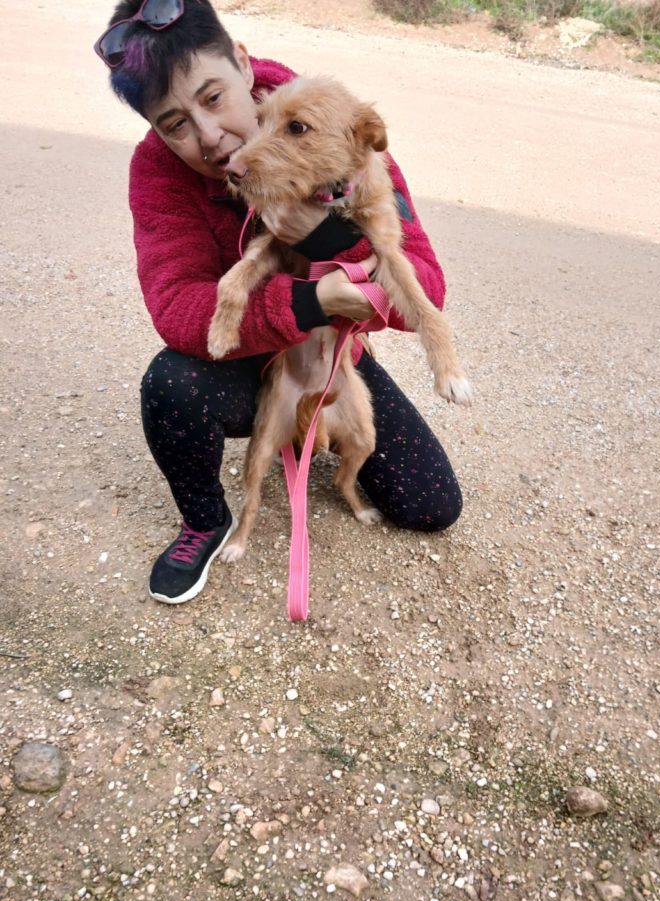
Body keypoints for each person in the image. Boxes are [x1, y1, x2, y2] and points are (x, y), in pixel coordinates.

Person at [95, 0, 463, 605]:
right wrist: (312, 299)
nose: (210, 139)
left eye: (214, 98)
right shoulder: (157, 175)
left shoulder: (331, 126)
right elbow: (179, 311)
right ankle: (204, 520)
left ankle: (311, 429)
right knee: (172, 384)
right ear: (155, 131)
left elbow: (422, 281)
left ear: (241, 63)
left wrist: (331, 244)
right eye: (174, 123)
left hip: (334, 345)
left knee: (430, 504)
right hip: (251, 347)